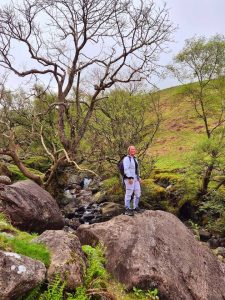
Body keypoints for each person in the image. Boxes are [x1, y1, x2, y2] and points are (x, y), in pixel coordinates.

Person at [123, 145, 142, 216]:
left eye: (134, 149)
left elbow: (137, 169)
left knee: (138, 192)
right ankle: (127, 209)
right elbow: (126, 169)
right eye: (132, 149)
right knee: (129, 193)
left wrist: (139, 177)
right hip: (129, 179)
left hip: (136, 178)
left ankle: (135, 207)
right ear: (129, 151)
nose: (133, 150)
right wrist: (129, 177)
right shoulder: (127, 159)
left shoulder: (135, 158)